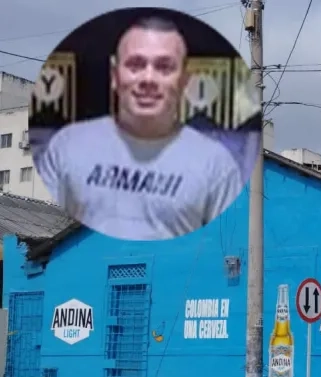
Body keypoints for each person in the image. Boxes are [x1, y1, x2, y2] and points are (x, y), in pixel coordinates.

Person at [34, 16, 244, 241]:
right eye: (135, 64)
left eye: (164, 67)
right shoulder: (68, 146)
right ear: (115, 75)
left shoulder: (216, 164)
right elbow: (50, 229)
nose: (148, 78)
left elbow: (227, 243)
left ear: (184, 80)